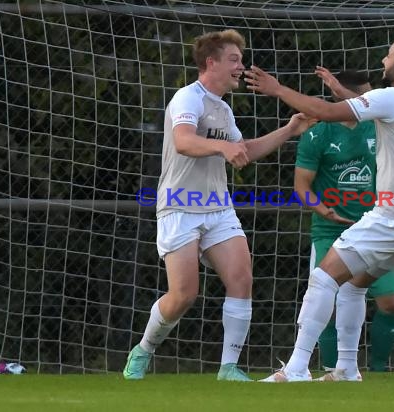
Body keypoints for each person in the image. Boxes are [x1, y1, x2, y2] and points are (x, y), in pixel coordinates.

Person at [245, 33, 394, 382]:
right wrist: (345, 93)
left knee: (323, 278)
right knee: (353, 285)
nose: (383, 60)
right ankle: (347, 369)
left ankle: (295, 369)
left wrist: (277, 89)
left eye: (388, 54)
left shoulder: (392, 97)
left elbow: (323, 111)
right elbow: (379, 110)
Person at [123, 29, 314, 381]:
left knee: (241, 278)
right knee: (183, 295)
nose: (240, 67)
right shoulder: (187, 98)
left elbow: (246, 151)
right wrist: (222, 148)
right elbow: (183, 141)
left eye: (240, 60)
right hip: (179, 206)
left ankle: (228, 368)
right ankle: (144, 349)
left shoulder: (223, 109)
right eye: (234, 60)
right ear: (211, 63)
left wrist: (289, 129)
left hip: (217, 208)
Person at [295, 69, 394, 377]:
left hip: (381, 224)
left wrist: (277, 88)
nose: (369, 98)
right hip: (332, 228)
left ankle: (367, 371)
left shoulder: (379, 123)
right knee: (332, 292)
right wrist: (322, 208)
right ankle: (335, 368)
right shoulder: (318, 133)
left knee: (387, 301)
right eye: (364, 93)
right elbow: (301, 185)